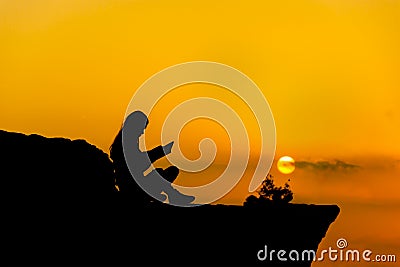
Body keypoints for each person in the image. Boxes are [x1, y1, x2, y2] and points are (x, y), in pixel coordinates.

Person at [110, 110, 195, 206]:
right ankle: (173, 196)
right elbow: (140, 162)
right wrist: (161, 151)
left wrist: (161, 151)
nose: (142, 133)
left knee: (170, 171)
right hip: (130, 186)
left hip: (134, 182)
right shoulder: (125, 144)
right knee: (165, 174)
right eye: (142, 128)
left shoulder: (127, 142)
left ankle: (172, 196)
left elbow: (140, 160)